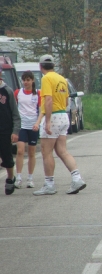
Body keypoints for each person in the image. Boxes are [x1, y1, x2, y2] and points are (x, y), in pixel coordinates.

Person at [33, 54, 86, 196]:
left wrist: (48, 121)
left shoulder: (46, 79)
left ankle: (49, 184)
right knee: (62, 150)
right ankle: (77, 178)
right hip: (64, 115)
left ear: (40, 66)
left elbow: (48, 100)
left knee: (46, 151)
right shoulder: (61, 79)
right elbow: (67, 99)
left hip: (54, 116)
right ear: (53, 66)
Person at [13, 71, 41, 189]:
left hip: (33, 126)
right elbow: (13, 108)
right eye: (24, 80)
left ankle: (30, 178)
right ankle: (18, 177)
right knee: (20, 151)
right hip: (21, 125)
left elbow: (41, 110)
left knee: (31, 153)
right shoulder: (18, 93)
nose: (26, 82)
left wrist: (38, 123)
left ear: (32, 81)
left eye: (28, 80)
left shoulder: (38, 94)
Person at [0, 67, 21, 195]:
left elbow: (15, 113)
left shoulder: (7, 91)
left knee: (6, 155)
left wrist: (15, 131)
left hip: (5, 129)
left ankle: (10, 177)